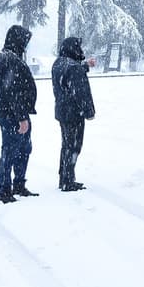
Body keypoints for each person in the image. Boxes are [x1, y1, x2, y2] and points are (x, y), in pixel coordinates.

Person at [0, 24, 38, 203]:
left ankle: (19, 184)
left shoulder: (11, 56)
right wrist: (21, 118)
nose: (26, 44)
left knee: (23, 149)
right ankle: (4, 189)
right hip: (12, 115)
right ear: (17, 39)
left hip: (17, 113)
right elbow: (11, 90)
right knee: (10, 150)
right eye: (25, 40)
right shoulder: (8, 58)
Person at [52, 36, 96, 191]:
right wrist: (89, 112)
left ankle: (64, 177)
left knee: (66, 145)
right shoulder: (73, 67)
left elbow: (69, 73)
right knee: (74, 146)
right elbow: (81, 92)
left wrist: (84, 65)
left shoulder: (58, 63)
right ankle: (67, 181)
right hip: (74, 113)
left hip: (63, 112)